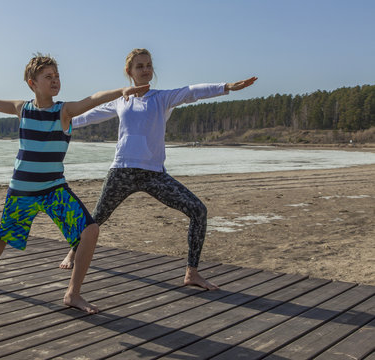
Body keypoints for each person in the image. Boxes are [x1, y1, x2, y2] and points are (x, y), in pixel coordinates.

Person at [0, 54, 149, 314]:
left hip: (53, 189)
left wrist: (121, 91)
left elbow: (93, 98)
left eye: (57, 76)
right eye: (49, 77)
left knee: (90, 231)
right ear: (32, 83)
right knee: (2, 236)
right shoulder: (22, 109)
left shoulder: (64, 111)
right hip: (22, 190)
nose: (55, 80)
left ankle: (73, 294)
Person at [59, 48, 257, 291]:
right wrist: (57, 123)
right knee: (97, 218)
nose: (145, 70)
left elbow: (191, 92)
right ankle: (72, 252)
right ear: (129, 72)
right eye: (139, 66)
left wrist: (226, 87)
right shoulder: (121, 100)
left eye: (148, 65)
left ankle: (191, 273)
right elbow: (86, 117)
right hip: (123, 170)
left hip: (154, 173)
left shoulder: (162, 98)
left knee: (198, 211)